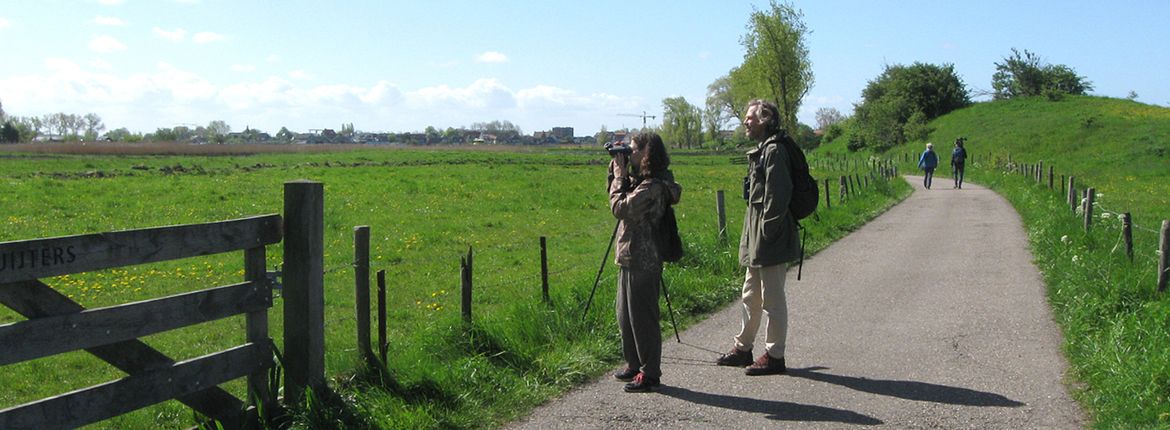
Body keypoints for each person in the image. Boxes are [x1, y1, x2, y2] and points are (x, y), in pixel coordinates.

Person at [714, 99, 800, 376]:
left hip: (768, 237)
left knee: (773, 299)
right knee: (751, 294)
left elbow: (778, 197)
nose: (745, 122)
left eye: (750, 117)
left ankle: (775, 356)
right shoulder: (763, 151)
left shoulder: (774, 151)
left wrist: (768, 235)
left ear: (765, 120)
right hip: (757, 236)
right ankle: (743, 348)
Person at [607, 132, 682, 392]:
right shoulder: (641, 181)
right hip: (629, 254)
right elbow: (618, 196)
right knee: (625, 316)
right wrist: (619, 172)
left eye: (634, 149)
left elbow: (620, 208)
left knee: (642, 318)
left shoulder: (653, 187)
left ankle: (650, 373)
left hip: (645, 258)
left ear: (647, 153)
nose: (631, 153)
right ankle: (634, 363)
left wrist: (619, 175)